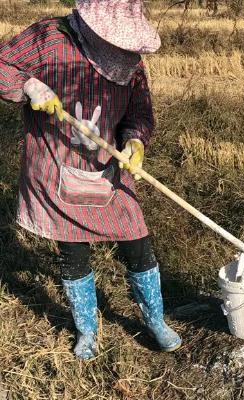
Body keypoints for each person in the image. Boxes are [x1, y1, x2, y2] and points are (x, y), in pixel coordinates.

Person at [0, 0, 181, 360]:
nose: (123, 51)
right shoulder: (50, 38)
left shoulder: (129, 61)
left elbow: (139, 111)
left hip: (108, 171)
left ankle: (155, 320)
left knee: (137, 240)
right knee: (73, 251)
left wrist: (134, 142)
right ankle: (87, 331)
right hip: (57, 167)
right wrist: (28, 86)